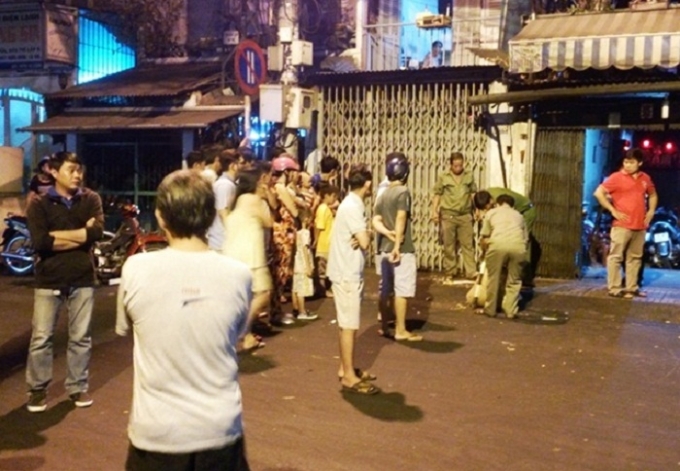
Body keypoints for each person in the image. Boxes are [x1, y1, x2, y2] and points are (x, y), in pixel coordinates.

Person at [116, 170, 252, 470]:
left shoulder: (135, 269)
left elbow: (125, 327)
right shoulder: (238, 274)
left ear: (161, 217)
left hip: (156, 433)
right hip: (219, 431)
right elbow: (238, 334)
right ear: (211, 216)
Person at [25, 151, 104, 412]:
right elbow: (41, 242)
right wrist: (82, 235)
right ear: (54, 172)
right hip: (49, 278)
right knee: (42, 338)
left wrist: (59, 237)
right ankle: (37, 390)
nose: (77, 175)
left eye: (79, 170)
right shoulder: (39, 203)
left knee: (81, 337)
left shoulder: (91, 199)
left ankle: (77, 387)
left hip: (83, 277)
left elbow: (96, 233)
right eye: (71, 170)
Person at [328, 164, 380, 395]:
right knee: (349, 325)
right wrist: (367, 234)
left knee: (346, 323)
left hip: (345, 270)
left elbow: (362, 239)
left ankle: (345, 367)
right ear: (367, 184)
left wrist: (364, 235)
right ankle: (349, 375)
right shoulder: (353, 206)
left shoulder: (350, 203)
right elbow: (365, 241)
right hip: (346, 272)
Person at [372, 153, 423, 342]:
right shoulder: (403, 192)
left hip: (383, 248)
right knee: (402, 289)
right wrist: (397, 244)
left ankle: (385, 326)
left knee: (386, 288)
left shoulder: (383, 193)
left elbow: (375, 220)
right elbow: (401, 217)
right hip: (401, 249)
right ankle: (401, 329)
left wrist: (387, 234)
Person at [594, 148, 657, 299]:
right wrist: (612, 210)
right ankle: (615, 288)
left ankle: (631, 288)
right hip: (622, 225)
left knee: (635, 258)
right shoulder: (616, 177)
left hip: (640, 225)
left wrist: (651, 211)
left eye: (631, 162)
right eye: (625, 162)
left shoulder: (645, 178)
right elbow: (598, 193)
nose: (627, 165)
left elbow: (653, 195)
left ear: (639, 163)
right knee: (616, 257)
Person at [223, 167, 273, 352]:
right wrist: (266, 196)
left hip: (233, 253)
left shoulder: (236, 200)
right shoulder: (253, 200)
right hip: (251, 256)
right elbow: (269, 222)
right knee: (263, 294)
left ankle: (248, 336)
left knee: (245, 297)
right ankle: (242, 332)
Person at [474, 194, 528, 319]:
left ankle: (490, 310)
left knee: (494, 278)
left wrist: (483, 251)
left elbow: (484, 236)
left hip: (497, 246)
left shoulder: (491, 213)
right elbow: (525, 239)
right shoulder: (519, 216)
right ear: (512, 205)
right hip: (518, 247)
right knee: (514, 280)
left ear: (498, 203)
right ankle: (510, 310)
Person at [474, 188, 537, 286]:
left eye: (486, 208)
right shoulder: (485, 196)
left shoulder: (500, 200)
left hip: (526, 211)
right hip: (515, 213)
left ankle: (526, 276)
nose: (486, 210)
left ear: (491, 201)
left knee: (520, 241)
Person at [431, 152, 477, 279]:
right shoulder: (443, 176)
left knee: (468, 244)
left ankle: (471, 271)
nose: (458, 168)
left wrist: (477, 209)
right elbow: (437, 194)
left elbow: (473, 193)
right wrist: (434, 211)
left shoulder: (469, 175)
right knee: (449, 245)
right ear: (450, 165)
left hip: (465, 215)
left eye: (460, 165)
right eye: (455, 166)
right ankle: (450, 271)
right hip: (448, 215)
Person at [207, 152, 239, 252]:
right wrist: (232, 234)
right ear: (233, 166)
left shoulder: (227, 183)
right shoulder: (225, 185)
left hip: (221, 240)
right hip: (221, 241)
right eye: (240, 163)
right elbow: (223, 212)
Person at [291, 209, 318, 321]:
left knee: (296, 287)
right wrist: (308, 266)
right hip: (303, 263)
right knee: (302, 289)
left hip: (297, 262)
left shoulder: (297, 233)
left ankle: (296, 308)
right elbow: (305, 249)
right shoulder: (306, 233)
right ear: (306, 219)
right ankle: (302, 311)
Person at [314, 185, 340, 297]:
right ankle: (323, 290)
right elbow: (319, 227)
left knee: (327, 269)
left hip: (328, 243)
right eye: (333, 196)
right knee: (322, 270)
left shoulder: (327, 209)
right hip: (324, 244)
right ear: (326, 196)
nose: (334, 199)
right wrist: (316, 240)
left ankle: (325, 289)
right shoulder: (323, 209)